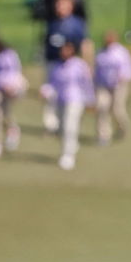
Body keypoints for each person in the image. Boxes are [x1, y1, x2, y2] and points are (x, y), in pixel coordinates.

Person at [42, 0, 90, 134]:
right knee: (50, 94)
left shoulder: (77, 24)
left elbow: (85, 44)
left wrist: (87, 64)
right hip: (53, 64)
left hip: (70, 65)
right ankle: (53, 124)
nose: (59, 6)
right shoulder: (52, 22)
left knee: (71, 94)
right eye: (58, 3)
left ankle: (70, 121)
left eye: (62, 3)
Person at [51, 39, 93, 171]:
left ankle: (68, 155)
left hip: (75, 100)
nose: (64, 52)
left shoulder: (79, 65)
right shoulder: (57, 66)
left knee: (70, 127)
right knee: (61, 128)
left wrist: (90, 100)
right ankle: (72, 145)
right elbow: (52, 84)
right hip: (60, 100)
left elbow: (86, 84)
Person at [93, 30, 131, 145]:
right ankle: (103, 135)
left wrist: (123, 77)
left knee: (117, 110)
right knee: (102, 108)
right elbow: (97, 69)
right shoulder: (100, 52)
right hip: (103, 85)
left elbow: (128, 68)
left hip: (118, 85)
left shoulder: (121, 52)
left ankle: (122, 127)